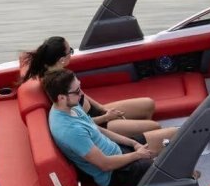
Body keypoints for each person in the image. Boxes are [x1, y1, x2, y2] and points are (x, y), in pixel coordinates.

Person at [43, 69, 178, 186]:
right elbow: (105, 164)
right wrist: (137, 155)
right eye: (77, 91)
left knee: (175, 134)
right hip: (116, 172)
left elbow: (98, 129)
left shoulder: (71, 106)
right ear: (61, 97)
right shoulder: (70, 131)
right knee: (178, 170)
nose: (81, 94)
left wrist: (133, 143)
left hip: (118, 149)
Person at [24, 36, 162, 142]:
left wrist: (103, 108)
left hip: (96, 113)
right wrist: (106, 117)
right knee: (154, 127)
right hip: (95, 125)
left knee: (148, 104)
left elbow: (82, 95)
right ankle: (138, 143)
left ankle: (139, 135)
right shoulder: (58, 85)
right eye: (70, 51)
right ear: (61, 60)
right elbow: (79, 122)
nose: (71, 53)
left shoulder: (61, 73)